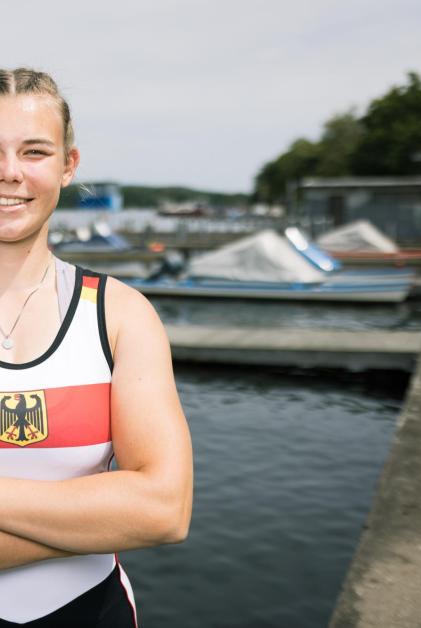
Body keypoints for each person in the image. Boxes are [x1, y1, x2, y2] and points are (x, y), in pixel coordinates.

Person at [0, 68, 193, 627]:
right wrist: (95, 521)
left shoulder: (119, 315)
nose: (10, 171)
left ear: (68, 166)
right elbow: (137, 514)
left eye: (34, 151)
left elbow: (164, 509)